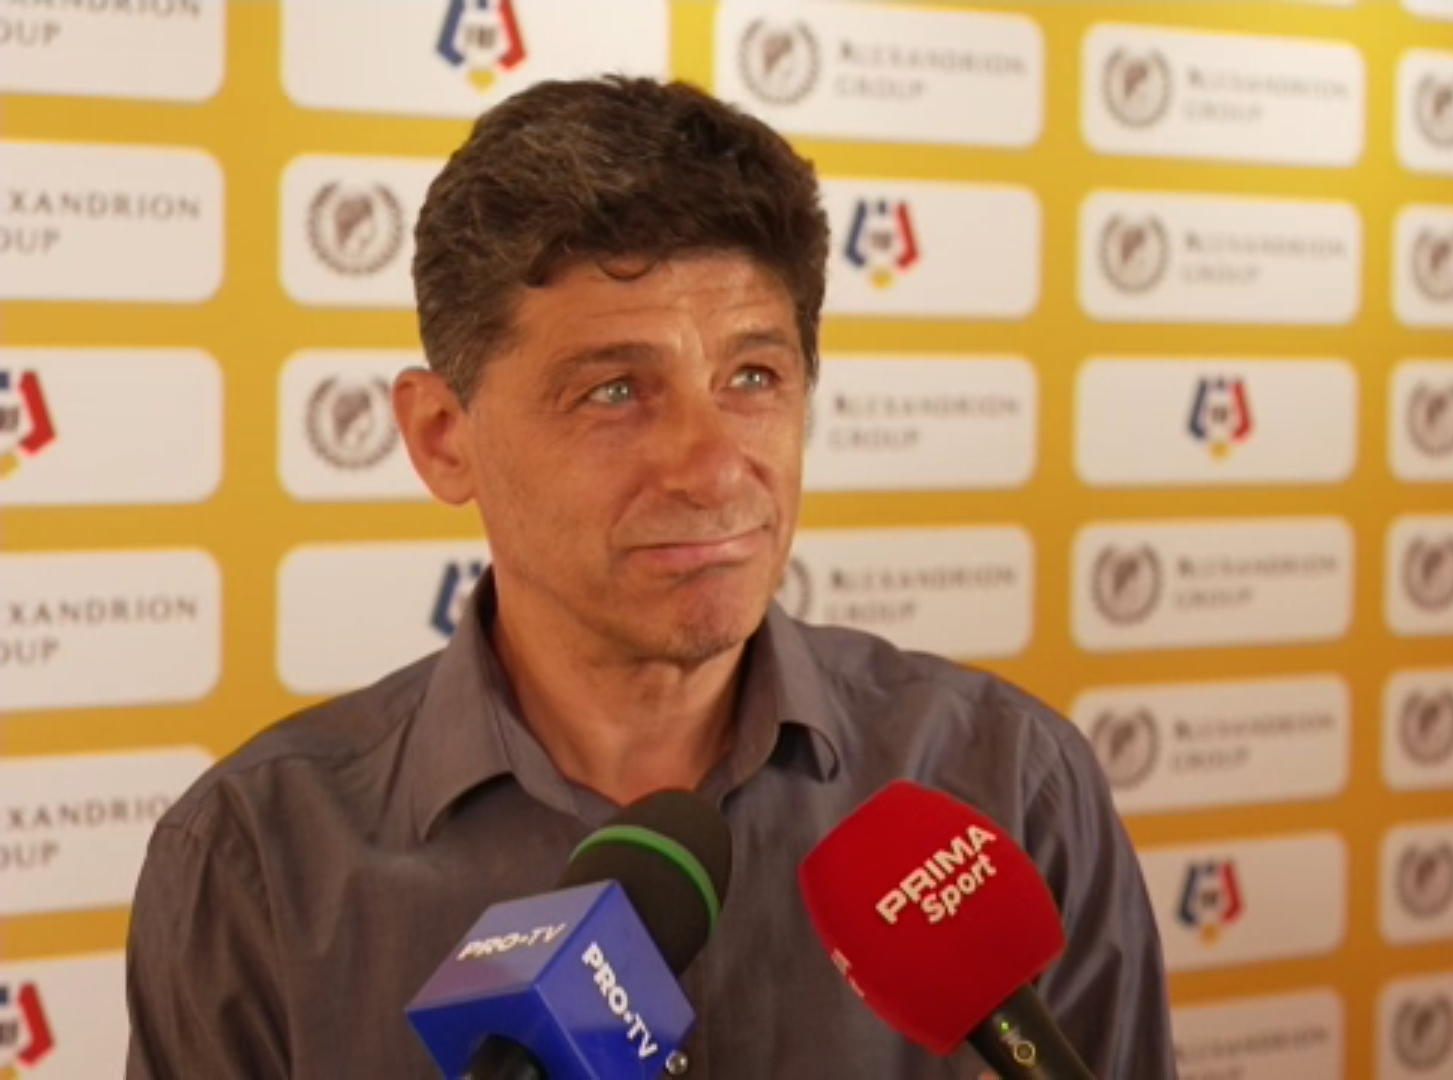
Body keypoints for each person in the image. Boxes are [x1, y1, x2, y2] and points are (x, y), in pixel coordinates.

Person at [124, 75, 1177, 1078]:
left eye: (753, 377)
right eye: (617, 391)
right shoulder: (255, 861)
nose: (713, 469)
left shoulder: (1009, 783)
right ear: (443, 437)